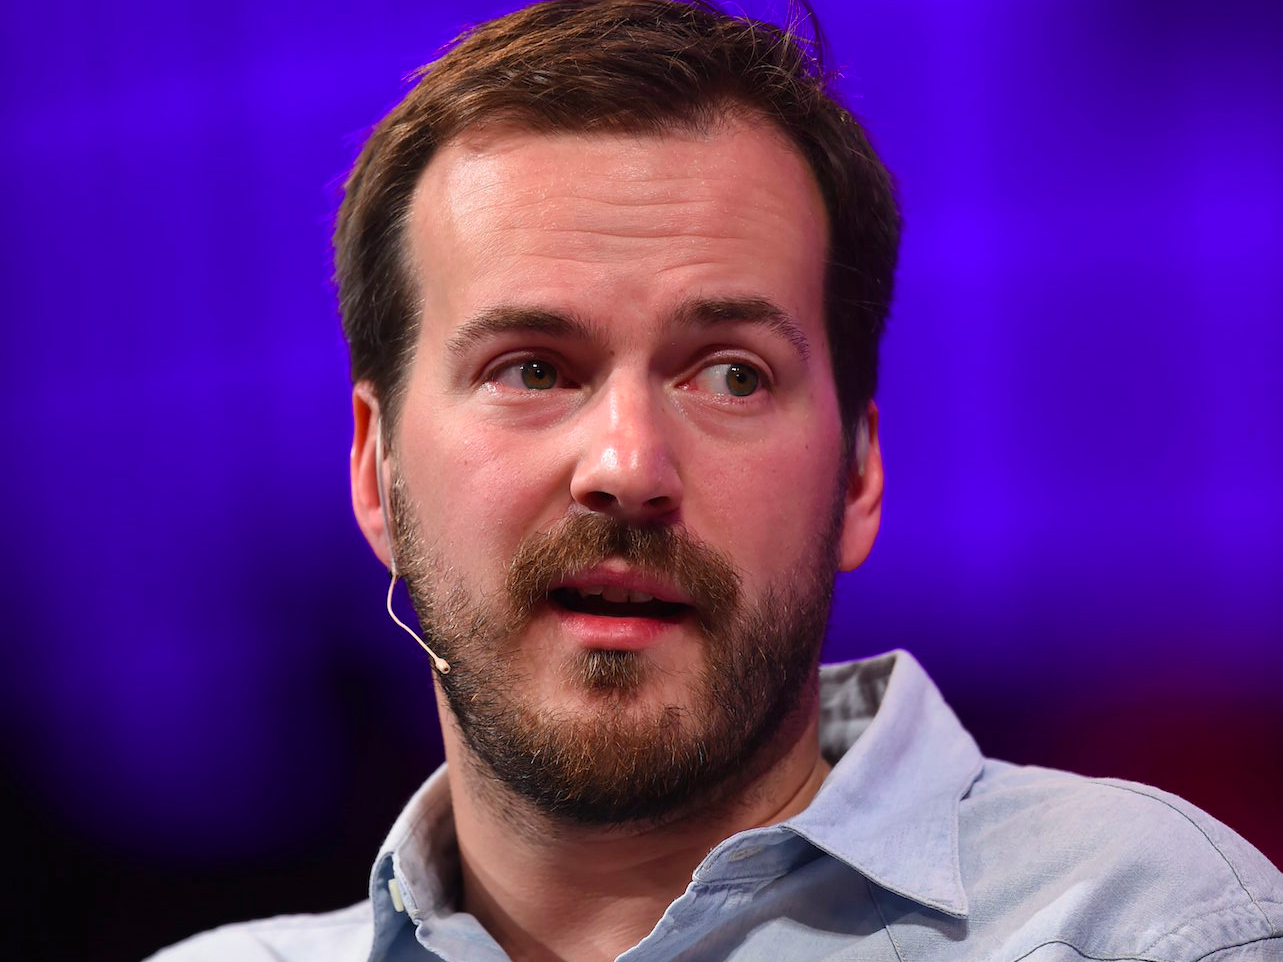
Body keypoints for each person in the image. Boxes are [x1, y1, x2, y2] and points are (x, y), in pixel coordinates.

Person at [151, 1, 1283, 960]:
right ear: (374, 470)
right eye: (532, 369)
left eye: (732, 374)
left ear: (857, 474)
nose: (626, 467)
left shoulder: (1149, 925)